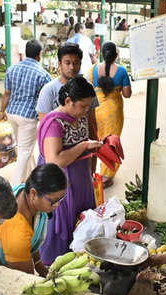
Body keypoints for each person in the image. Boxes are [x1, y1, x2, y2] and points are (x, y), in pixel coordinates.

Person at [37, 76, 123, 264]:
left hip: (81, 181)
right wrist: (84, 146)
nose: (86, 111)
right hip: (62, 184)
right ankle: (57, 264)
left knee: (83, 222)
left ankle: (79, 260)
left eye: (88, 106)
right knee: (63, 227)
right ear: (68, 101)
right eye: (83, 106)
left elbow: (86, 144)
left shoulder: (79, 116)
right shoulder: (55, 123)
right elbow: (55, 160)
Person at [0, 164, 67, 276]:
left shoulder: (23, 193)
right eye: (53, 201)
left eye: (61, 199)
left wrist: (38, 264)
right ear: (33, 194)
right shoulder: (16, 232)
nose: (58, 204)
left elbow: (31, 241)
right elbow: (25, 279)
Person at [36, 43, 99, 170]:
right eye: (67, 62)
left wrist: (92, 161)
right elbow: (45, 129)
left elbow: (91, 125)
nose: (72, 67)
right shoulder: (48, 91)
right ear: (59, 64)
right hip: (58, 165)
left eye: (76, 63)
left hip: (82, 162)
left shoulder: (87, 89)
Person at [0, 40, 52, 186]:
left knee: (23, 148)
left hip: (12, 114)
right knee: (24, 151)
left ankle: (31, 175)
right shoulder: (44, 75)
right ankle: (15, 187)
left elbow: (7, 93)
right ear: (39, 55)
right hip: (28, 117)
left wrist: (1, 111)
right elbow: (46, 100)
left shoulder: (12, 69)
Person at [88, 42, 132, 188]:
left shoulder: (93, 69)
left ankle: (92, 172)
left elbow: (88, 88)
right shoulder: (122, 71)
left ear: (102, 54)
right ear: (116, 55)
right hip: (113, 112)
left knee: (96, 140)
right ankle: (106, 175)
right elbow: (127, 94)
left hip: (96, 109)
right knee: (111, 141)